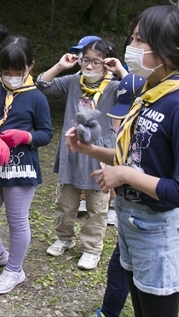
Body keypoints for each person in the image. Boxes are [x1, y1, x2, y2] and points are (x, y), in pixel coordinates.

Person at [66, 5, 179, 317]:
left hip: (160, 232)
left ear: (172, 51)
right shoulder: (149, 92)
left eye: (141, 41)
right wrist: (90, 150)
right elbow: (133, 158)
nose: (132, 47)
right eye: (133, 38)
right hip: (132, 224)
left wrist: (126, 175)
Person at [0, 36, 53, 295]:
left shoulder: (36, 97)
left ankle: (15, 269)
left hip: (20, 167)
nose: (12, 76)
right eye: (7, 72)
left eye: (18, 72)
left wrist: (24, 137)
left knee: (17, 221)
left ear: (30, 66)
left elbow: (46, 133)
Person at [36, 37, 127, 270]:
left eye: (96, 62)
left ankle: (91, 248)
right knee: (65, 202)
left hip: (100, 154)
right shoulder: (74, 81)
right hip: (72, 149)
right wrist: (60, 66)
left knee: (98, 206)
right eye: (85, 60)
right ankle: (64, 237)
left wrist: (120, 70)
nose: (88, 67)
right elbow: (42, 84)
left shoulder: (116, 87)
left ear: (106, 63)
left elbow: (138, 94)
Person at [91, 73, 147, 317]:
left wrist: (122, 175)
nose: (120, 124)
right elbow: (120, 161)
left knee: (145, 284)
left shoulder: (151, 140)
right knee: (118, 269)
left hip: (150, 225)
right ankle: (109, 311)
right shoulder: (127, 139)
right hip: (127, 221)